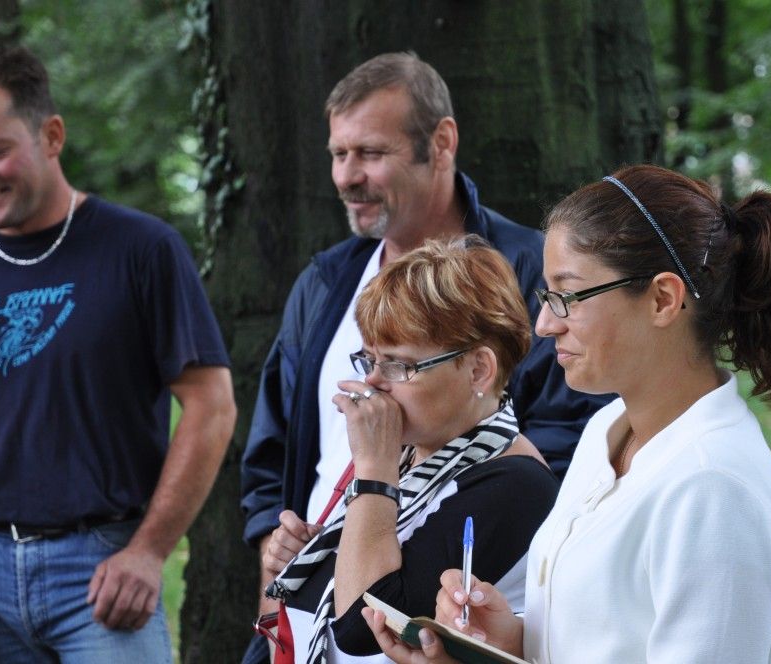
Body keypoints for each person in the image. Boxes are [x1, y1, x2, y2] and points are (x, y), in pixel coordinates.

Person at [364, 164, 771, 663]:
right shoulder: (610, 428)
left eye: (567, 296)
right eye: (545, 295)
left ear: (663, 300)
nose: (543, 324)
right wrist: (511, 641)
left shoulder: (712, 491)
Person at [240, 52, 606, 656]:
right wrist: (297, 552)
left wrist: (382, 492)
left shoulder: (530, 275)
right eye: (338, 153)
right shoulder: (326, 282)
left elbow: (561, 451)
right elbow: (273, 448)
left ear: (441, 144)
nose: (346, 176)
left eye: (370, 152)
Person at [0, 45, 236, 662]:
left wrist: (150, 550)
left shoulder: (142, 249)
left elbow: (211, 405)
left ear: (52, 136)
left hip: (104, 574)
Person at [260, 236, 558, 663]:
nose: (373, 382)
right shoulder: (412, 455)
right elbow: (348, 585)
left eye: (398, 365)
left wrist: (374, 471)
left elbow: (361, 626)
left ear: (478, 370)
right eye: (369, 360)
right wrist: (310, 557)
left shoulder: (515, 484)